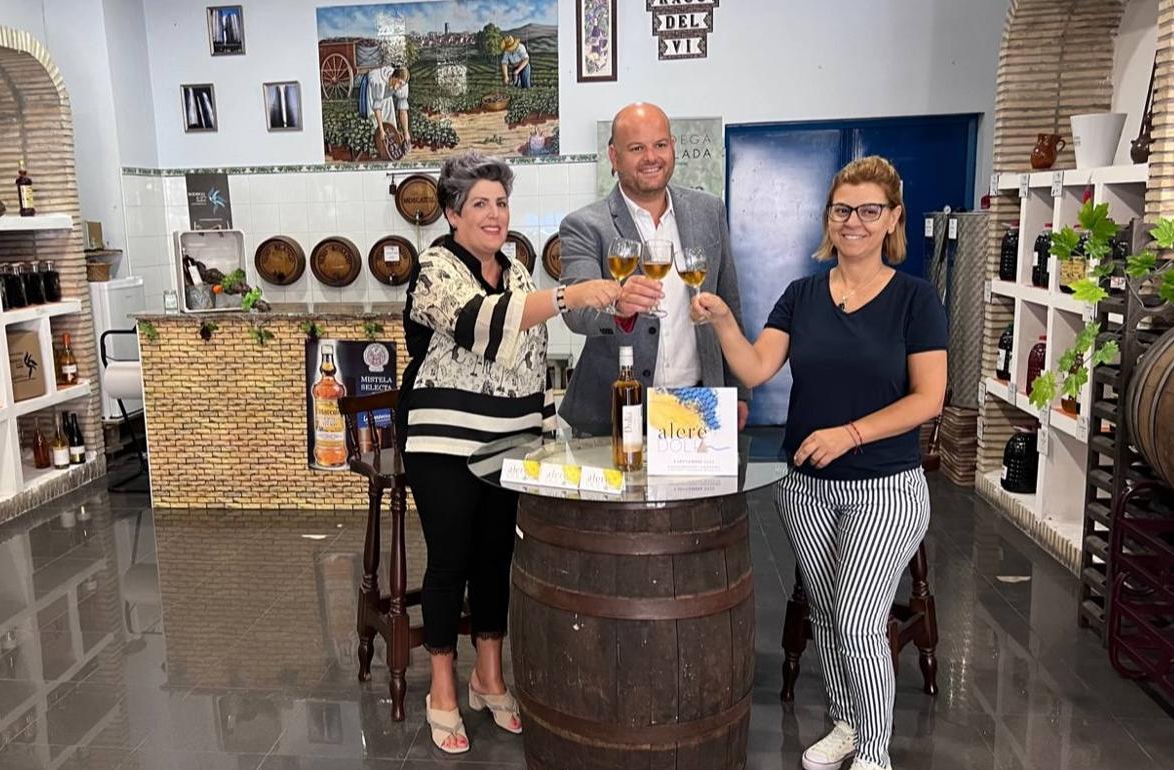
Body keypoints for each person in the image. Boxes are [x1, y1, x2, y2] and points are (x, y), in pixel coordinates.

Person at [691, 155, 947, 770]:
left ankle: (876, 753)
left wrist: (851, 433)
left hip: (887, 486)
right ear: (828, 219)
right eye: (842, 210)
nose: (853, 222)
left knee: (861, 620)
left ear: (892, 220)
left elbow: (929, 398)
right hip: (805, 487)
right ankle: (846, 723)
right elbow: (755, 368)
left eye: (868, 211)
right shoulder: (802, 295)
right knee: (830, 616)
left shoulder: (915, 298)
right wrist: (725, 320)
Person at [398, 151, 621, 754]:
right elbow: (482, 324)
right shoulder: (435, 269)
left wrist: (549, 434)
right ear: (452, 213)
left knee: (497, 560)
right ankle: (442, 686)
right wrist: (571, 294)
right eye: (479, 204)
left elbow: (531, 359)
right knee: (450, 562)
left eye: (500, 203)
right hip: (443, 441)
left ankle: (488, 676)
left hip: (509, 444)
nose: (494, 215)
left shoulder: (519, 270)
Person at [558, 102, 749, 435]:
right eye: (636, 148)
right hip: (612, 411)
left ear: (673, 147)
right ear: (614, 157)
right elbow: (576, 313)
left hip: (697, 405)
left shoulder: (708, 211)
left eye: (660, 145)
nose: (651, 157)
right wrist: (617, 306)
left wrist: (739, 389)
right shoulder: (584, 225)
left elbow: (729, 302)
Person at [358, 65, 411, 149]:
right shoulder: (379, 82)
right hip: (373, 94)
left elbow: (403, 110)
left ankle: (391, 147)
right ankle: (379, 148)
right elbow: (377, 107)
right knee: (376, 125)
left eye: (402, 85)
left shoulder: (402, 85)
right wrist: (381, 130)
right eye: (400, 83)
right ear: (394, 77)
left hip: (386, 96)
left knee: (391, 125)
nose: (401, 87)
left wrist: (406, 132)